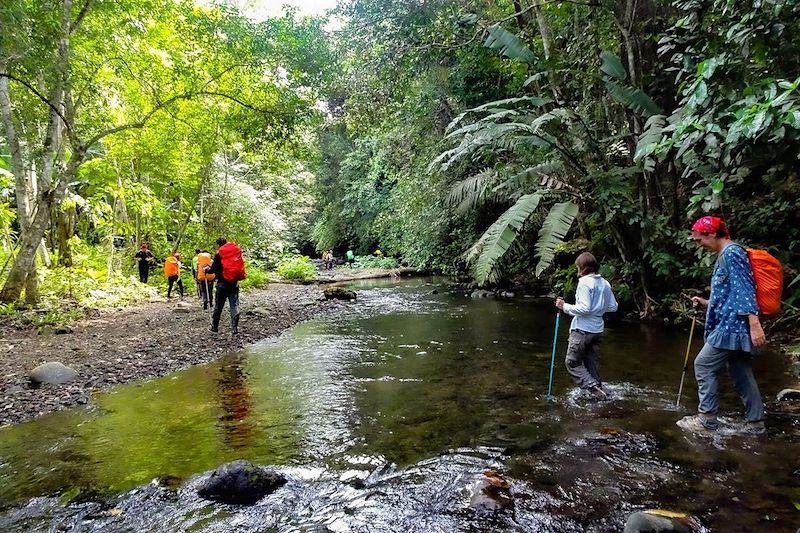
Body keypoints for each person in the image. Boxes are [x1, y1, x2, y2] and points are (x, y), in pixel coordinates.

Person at [677, 216, 766, 435]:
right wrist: (707, 303)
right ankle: (755, 424)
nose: (699, 245)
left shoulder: (732, 253)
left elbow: (745, 290)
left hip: (731, 327)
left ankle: (707, 420)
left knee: (703, 365)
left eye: (700, 240)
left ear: (712, 234)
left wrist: (754, 325)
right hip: (732, 322)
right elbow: (730, 295)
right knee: (740, 371)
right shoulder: (726, 254)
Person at [555, 252, 618, 398]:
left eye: (578, 267)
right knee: (591, 364)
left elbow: (584, 308)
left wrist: (564, 306)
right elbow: (613, 306)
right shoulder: (605, 283)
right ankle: (600, 392)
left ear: (581, 267)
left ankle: (594, 389)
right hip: (597, 330)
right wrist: (598, 309)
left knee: (572, 362)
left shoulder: (584, 282)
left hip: (582, 330)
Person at [205, 238, 244, 335]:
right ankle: (234, 329)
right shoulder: (235, 253)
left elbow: (213, 269)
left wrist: (207, 270)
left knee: (219, 306)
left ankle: (215, 327)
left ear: (219, 245)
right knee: (234, 305)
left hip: (222, 284)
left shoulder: (219, 255)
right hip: (234, 284)